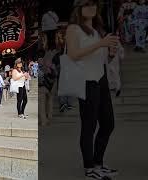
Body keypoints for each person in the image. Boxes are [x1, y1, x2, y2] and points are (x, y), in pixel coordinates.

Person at [66, 0, 119, 179]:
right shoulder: (73, 29)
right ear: (79, 8)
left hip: (101, 79)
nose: (92, 7)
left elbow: (102, 59)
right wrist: (100, 44)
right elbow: (73, 54)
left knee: (108, 122)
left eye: (95, 4)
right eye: (87, 4)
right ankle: (89, 168)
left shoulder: (97, 31)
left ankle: (98, 162)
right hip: (86, 81)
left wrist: (111, 52)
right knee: (89, 126)